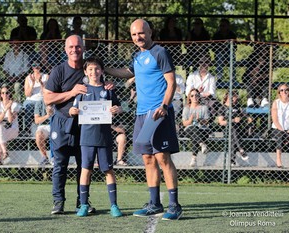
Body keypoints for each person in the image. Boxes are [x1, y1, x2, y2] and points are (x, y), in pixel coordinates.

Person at [105, 19, 182, 220]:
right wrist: (103, 68)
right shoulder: (137, 56)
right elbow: (127, 73)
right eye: (133, 35)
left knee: (163, 158)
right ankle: (154, 204)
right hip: (141, 115)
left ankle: (174, 205)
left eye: (141, 33)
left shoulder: (160, 52)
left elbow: (171, 83)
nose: (137, 37)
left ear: (149, 32)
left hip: (159, 114)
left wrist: (164, 107)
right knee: (147, 159)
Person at [43, 35, 98, 215]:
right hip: (62, 123)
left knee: (85, 166)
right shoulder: (58, 71)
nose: (75, 50)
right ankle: (58, 202)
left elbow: (100, 84)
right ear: (66, 49)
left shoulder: (89, 69)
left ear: (83, 48)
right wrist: (72, 92)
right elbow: (48, 98)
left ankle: (82, 202)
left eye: (78, 46)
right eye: (71, 47)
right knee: (60, 165)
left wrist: (108, 87)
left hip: (85, 125)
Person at [68, 56, 123, 217]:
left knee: (108, 170)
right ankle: (84, 205)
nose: (94, 72)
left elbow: (119, 107)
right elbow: (72, 109)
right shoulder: (82, 90)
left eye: (97, 68)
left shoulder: (108, 89)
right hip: (86, 137)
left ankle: (114, 205)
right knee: (86, 169)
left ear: (101, 70)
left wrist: (117, 110)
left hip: (104, 137)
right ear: (86, 71)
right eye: (90, 69)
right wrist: (73, 112)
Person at [217, 90, 248, 166]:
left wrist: (244, 118)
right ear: (228, 97)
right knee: (232, 129)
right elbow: (221, 122)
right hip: (227, 129)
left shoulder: (237, 107)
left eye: (235, 97)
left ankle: (232, 160)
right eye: (233, 96)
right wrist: (233, 120)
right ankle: (241, 149)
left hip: (238, 130)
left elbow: (244, 117)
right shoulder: (222, 107)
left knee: (233, 132)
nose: (235, 99)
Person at [182, 88, 210, 167]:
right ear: (189, 97)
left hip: (202, 129)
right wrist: (190, 120)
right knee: (194, 129)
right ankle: (202, 144)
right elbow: (184, 123)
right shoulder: (187, 108)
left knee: (195, 135)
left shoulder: (204, 107)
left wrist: (200, 120)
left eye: (197, 95)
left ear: (199, 96)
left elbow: (207, 121)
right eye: (192, 95)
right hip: (189, 129)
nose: (194, 97)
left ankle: (194, 159)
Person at [0, 86, 20, 165]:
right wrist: (5, 109)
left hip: (13, 129)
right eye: (3, 93)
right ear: (1, 95)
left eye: (7, 93)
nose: (5, 95)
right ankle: (3, 154)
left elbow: (10, 120)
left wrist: (9, 108)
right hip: (2, 131)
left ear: (10, 94)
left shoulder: (15, 105)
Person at [22, 62, 49, 135]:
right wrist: (33, 84)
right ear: (32, 68)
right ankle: (27, 129)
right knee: (29, 106)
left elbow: (46, 92)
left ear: (40, 67)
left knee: (43, 105)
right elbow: (27, 94)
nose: (36, 68)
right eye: (34, 67)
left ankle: (42, 127)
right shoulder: (28, 78)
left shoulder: (45, 76)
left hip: (41, 99)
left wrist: (41, 82)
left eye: (37, 66)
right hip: (31, 100)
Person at [271, 84, 289, 169]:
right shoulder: (276, 103)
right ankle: (278, 160)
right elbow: (275, 120)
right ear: (279, 92)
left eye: (286, 90)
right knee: (280, 135)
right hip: (277, 128)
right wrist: (283, 130)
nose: (284, 92)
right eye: (282, 90)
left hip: (288, 128)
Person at [33, 99, 54, 166]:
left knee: (55, 134)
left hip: (55, 124)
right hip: (43, 125)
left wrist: (52, 112)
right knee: (38, 134)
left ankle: (54, 157)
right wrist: (48, 115)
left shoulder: (57, 100)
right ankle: (45, 157)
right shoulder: (39, 103)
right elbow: (36, 120)